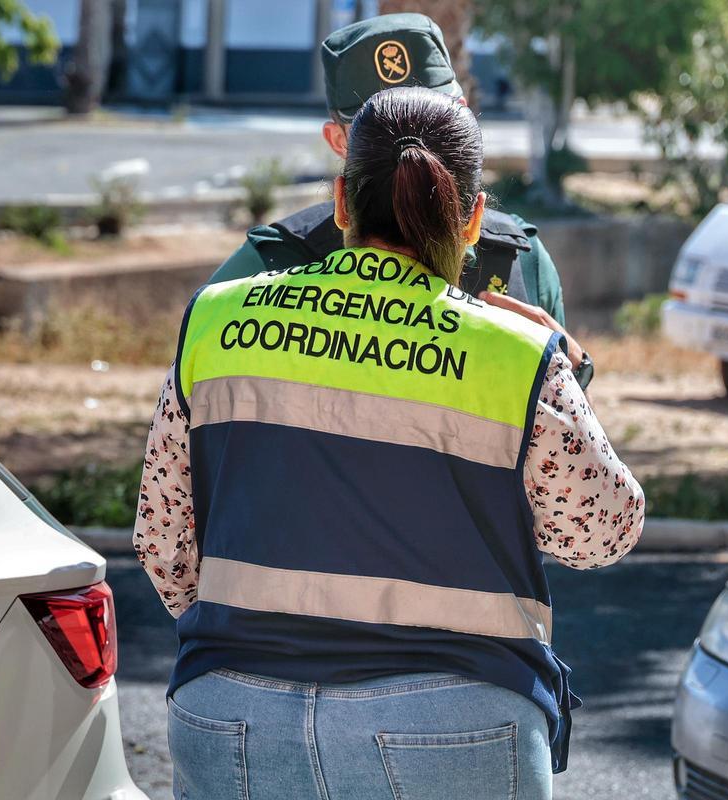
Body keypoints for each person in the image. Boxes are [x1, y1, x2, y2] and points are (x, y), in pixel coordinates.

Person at [134, 86, 644, 800]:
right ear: (472, 219)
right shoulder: (518, 354)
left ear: (342, 202)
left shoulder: (217, 321)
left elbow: (163, 544)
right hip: (455, 725)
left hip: (233, 714)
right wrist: (561, 361)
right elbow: (601, 532)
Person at [210, 13, 596, 390]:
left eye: (434, 116)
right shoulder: (272, 261)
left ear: (464, 115)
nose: (411, 140)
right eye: (376, 124)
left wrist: (573, 370)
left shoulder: (519, 260)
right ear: (338, 141)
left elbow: (558, 437)